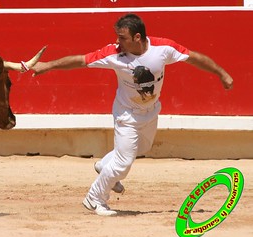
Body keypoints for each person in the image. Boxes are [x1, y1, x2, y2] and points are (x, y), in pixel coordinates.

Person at [31, 13, 233, 216]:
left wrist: (222, 73)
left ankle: (104, 165)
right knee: (122, 164)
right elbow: (80, 60)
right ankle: (94, 198)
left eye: (122, 37)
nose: (118, 42)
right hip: (126, 114)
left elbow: (195, 58)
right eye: (118, 37)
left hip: (151, 111)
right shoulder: (114, 53)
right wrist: (47, 66)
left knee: (141, 148)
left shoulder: (163, 48)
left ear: (138, 37)